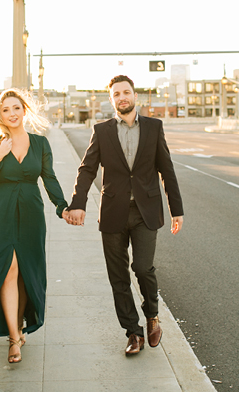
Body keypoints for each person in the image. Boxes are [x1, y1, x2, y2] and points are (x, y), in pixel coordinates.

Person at [66, 75, 184, 356]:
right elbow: (87, 169)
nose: (122, 97)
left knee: (143, 268)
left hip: (146, 211)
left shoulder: (154, 128)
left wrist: (176, 209)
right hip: (113, 212)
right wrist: (77, 203)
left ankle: (152, 314)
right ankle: (133, 332)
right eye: (116, 93)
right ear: (111, 100)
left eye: (126, 92)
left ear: (135, 96)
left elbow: (166, 170)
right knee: (118, 276)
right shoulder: (102, 130)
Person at [0, 89, 69, 363]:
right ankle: (13, 338)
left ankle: (19, 327)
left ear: (24, 110)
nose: (12, 113)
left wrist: (62, 205)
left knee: (24, 272)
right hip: (0, 213)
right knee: (8, 269)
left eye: (16, 108)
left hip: (31, 212)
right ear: (0, 115)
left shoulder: (40, 144)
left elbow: (49, 179)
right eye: (6, 109)